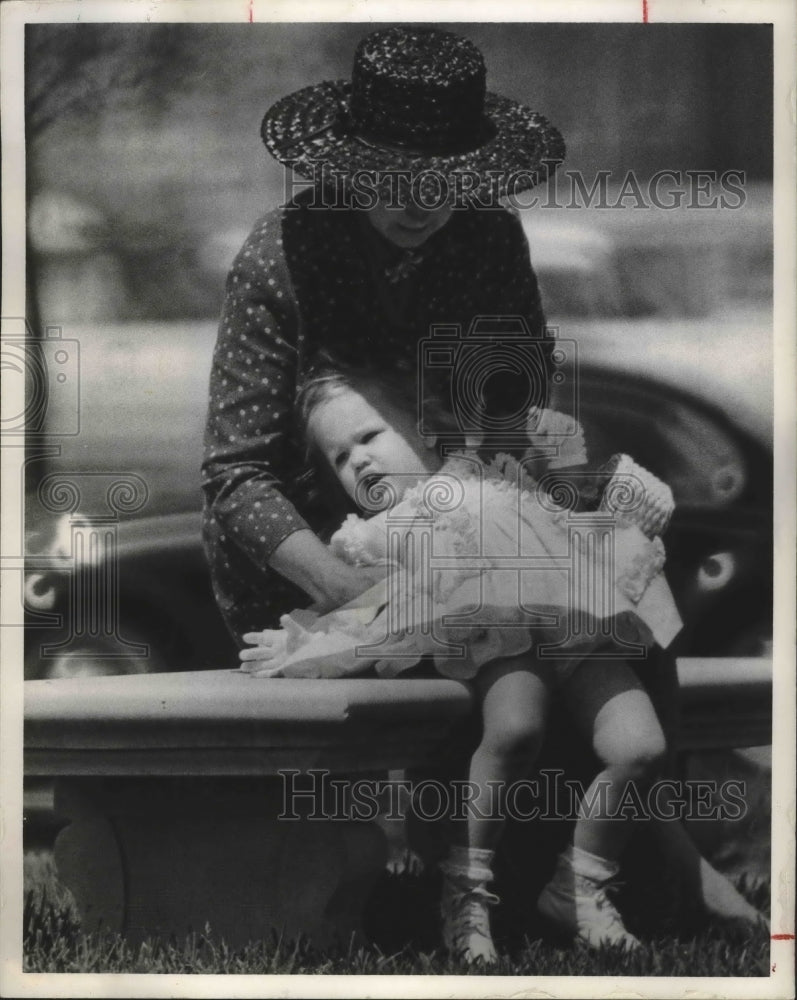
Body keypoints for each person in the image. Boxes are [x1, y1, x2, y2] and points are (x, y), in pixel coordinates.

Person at [240, 369, 689, 962]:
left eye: (370, 436)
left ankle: (579, 884)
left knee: (640, 747)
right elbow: (373, 607)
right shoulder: (389, 528)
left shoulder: (493, 474)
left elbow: (574, 497)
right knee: (515, 729)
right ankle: (465, 895)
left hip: (579, 629)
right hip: (504, 639)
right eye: (340, 457)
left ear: (421, 431)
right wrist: (305, 643)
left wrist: (602, 492)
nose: (359, 461)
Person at [201, 25, 565, 644]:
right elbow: (238, 475)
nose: (418, 205)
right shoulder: (279, 256)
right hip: (300, 581)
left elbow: (519, 396)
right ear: (352, 166)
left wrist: (480, 511)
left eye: (441, 179)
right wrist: (343, 587)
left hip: (460, 549)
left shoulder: (490, 238)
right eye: (393, 176)